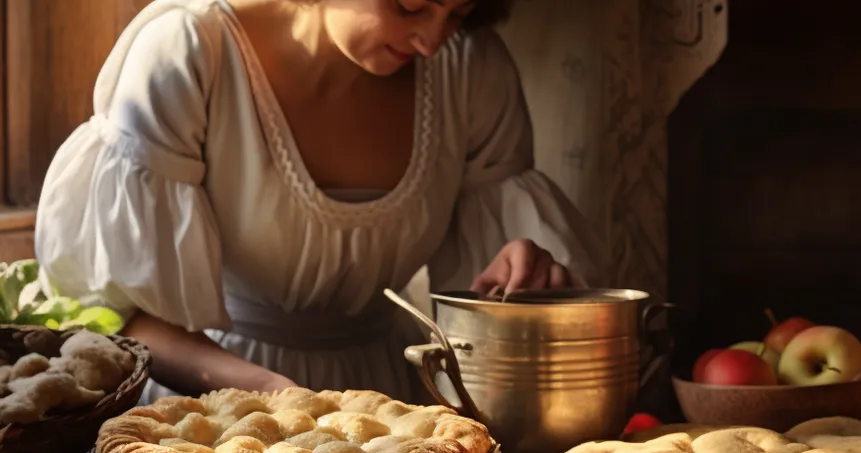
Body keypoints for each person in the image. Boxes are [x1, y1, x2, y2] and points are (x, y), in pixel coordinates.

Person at [35, 0, 604, 401]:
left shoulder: (469, 64)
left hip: (390, 396)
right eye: (410, 6)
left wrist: (520, 279)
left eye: (456, 13)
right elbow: (126, 320)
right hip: (212, 403)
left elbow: (474, 313)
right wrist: (274, 394)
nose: (433, 38)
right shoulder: (190, 51)